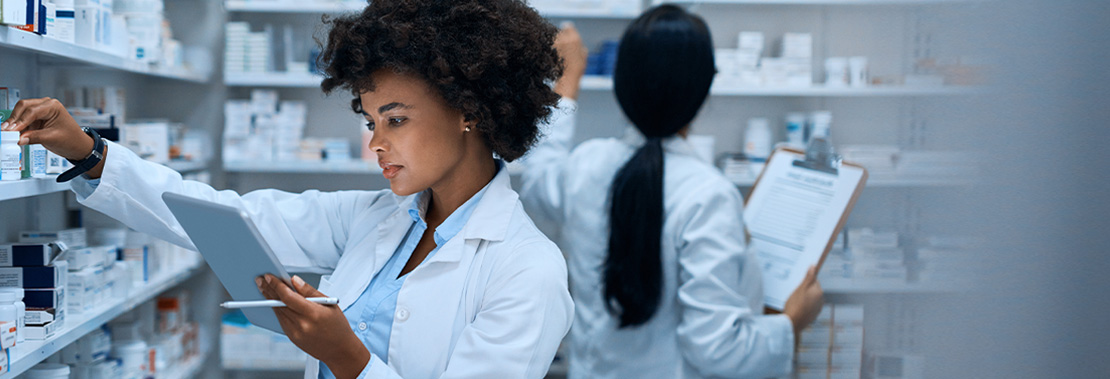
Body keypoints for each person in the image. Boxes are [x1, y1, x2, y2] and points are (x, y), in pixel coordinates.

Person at [2, 1, 573, 378]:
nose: (374, 142)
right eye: (370, 120)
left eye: (395, 120)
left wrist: (346, 356)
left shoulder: (528, 271)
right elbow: (221, 216)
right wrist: (89, 151)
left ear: (468, 111)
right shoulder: (379, 218)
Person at [520, 6, 825, 379]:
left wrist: (566, 86)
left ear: (623, 83)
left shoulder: (586, 166)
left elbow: (537, 182)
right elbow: (717, 350)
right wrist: (792, 322)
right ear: (702, 89)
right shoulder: (707, 194)